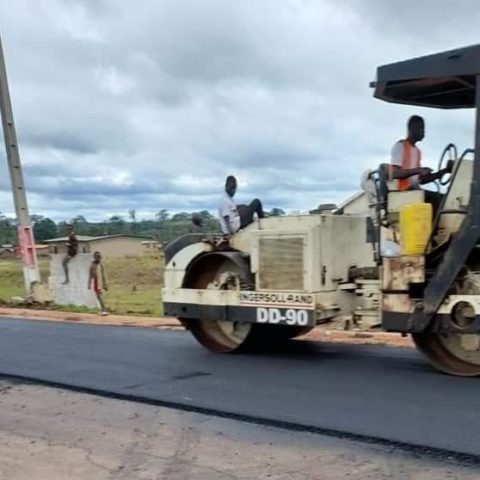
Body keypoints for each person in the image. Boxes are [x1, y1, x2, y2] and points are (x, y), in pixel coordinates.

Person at [88, 251, 108, 316]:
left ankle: (104, 310)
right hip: (96, 281)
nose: (98, 258)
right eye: (97, 257)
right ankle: (103, 309)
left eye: (99, 257)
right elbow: (90, 274)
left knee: (99, 296)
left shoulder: (100, 265)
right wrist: (89, 283)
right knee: (99, 296)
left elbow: (103, 274)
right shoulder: (92, 264)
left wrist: (105, 284)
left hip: (99, 282)